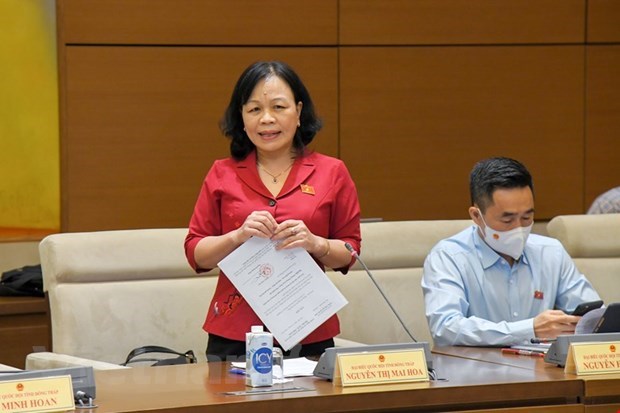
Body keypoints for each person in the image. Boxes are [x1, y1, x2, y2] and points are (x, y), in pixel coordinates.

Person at [184, 61, 361, 361]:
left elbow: (351, 251)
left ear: (299, 111)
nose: (266, 119)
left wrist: (315, 243)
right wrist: (238, 236)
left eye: (278, 107)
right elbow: (195, 253)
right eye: (254, 109)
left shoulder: (332, 172)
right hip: (234, 333)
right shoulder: (221, 173)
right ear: (241, 117)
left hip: (308, 328)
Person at [422, 157, 601, 347]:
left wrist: (586, 322)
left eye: (527, 217)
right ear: (476, 216)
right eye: (507, 220)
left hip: (542, 364)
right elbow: (446, 329)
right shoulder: (448, 257)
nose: (519, 229)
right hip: (476, 364)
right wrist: (529, 329)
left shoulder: (551, 252)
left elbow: (595, 317)